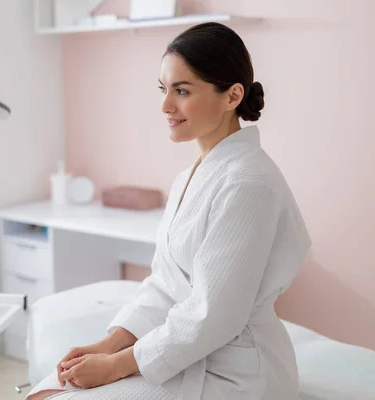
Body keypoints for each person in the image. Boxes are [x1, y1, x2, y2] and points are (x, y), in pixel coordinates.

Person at [27, 21, 311, 400]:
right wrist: (108, 345)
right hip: (188, 352)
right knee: (44, 392)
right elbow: (164, 284)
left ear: (231, 96)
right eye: (163, 89)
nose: (165, 105)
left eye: (182, 90)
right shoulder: (192, 175)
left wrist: (116, 365)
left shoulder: (249, 184)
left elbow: (214, 316)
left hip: (233, 374)